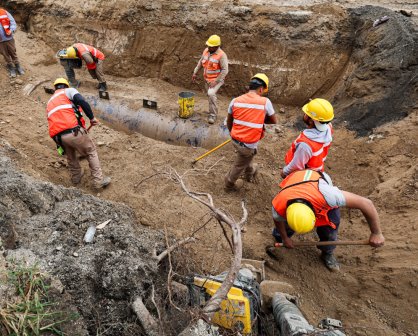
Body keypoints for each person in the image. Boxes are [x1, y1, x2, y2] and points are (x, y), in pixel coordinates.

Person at [271, 169, 385, 271]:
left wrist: (376, 233)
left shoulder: (329, 196)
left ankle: (327, 252)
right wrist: (285, 238)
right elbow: (277, 219)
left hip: (317, 182)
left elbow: (366, 203)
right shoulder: (279, 203)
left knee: (330, 230)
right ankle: (280, 238)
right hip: (295, 181)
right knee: (283, 230)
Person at [46, 78, 111, 189]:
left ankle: (76, 177)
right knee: (91, 151)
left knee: (71, 157)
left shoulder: (50, 101)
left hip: (59, 137)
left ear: (55, 88)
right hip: (73, 131)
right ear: (65, 85)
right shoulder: (69, 91)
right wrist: (91, 118)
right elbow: (82, 102)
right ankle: (98, 181)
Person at [225, 74, 277, 191]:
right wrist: (260, 119)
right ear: (261, 89)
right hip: (248, 144)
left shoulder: (235, 101)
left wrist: (232, 133)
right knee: (239, 165)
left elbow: (229, 121)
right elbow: (273, 120)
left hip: (235, 140)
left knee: (247, 156)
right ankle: (229, 183)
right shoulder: (265, 102)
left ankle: (250, 172)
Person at [281, 98, 334, 178]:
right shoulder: (328, 127)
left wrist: (284, 172)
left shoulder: (305, 145)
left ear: (311, 121)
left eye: (306, 113)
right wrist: (314, 107)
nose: (304, 114)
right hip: (317, 172)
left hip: (303, 177)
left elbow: (296, 166)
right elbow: (322, 117)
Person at [192, 34, 228, 124]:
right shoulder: (206, 51)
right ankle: (211, 109)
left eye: (211, 46)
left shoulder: (222, 55)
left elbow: (225, 70)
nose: (208, 47)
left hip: (217, 80)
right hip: (207, 79)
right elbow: (201, 62)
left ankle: (213, 115)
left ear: (216, 46)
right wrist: (195, 72)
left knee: (211, 93)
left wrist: (215, 82)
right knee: (209, 96)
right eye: (208, 45)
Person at [0, 7, 24, 78]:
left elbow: (12, 22)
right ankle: (11, 67)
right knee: (5, 54)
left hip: (8, 37)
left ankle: (18, 66)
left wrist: (11, 30)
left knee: (13, 52)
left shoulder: (4, 12)